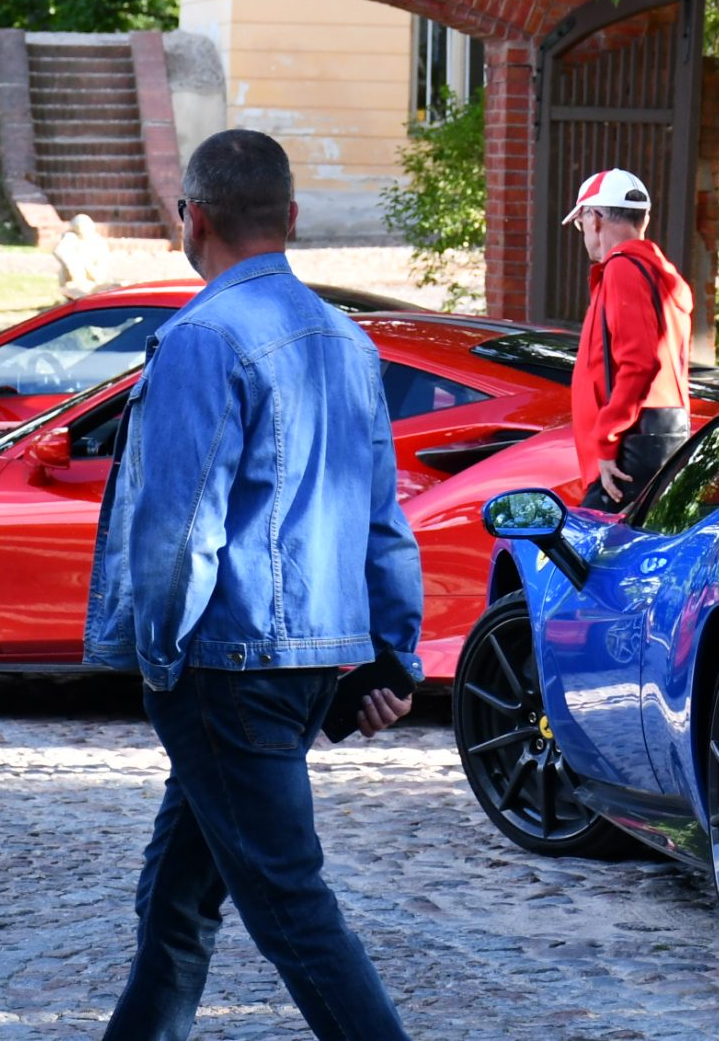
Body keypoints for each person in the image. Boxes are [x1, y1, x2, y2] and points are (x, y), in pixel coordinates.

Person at [83, 129, 420, 1041]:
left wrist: (159, 658)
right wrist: (391, 653)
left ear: (192, 219)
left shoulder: (203, 338)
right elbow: (382, 517)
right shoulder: (348, 341)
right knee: (177, 899)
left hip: (227, 665)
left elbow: (180, 525)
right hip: (302, 663)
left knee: (290, 907)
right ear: (292, 216)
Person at [562, 168, 694, 510]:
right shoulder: (658, 271)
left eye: (580, 222)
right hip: (658, 431)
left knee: (591, 540)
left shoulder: (622, 269)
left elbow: (639, 361)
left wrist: (607, 440)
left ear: (594, 218)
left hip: (630, 444)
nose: (584, 232)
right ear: (644, 219)